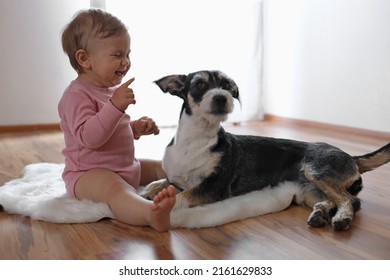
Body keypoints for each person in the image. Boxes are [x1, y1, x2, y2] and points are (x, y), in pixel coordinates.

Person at [58, 9, 176, 232]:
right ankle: (150, 213)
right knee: (116, 192)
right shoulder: (76, 95)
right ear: (85, 59)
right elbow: (89, 138)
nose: (126, 62)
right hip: (89, 174)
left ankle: (202, 179)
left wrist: (135, 128)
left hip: (123, 165)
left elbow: (111, 129)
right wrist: (115, 106)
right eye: (117, 55)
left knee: (164, 167)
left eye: (128, 54)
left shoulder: (107, 90)